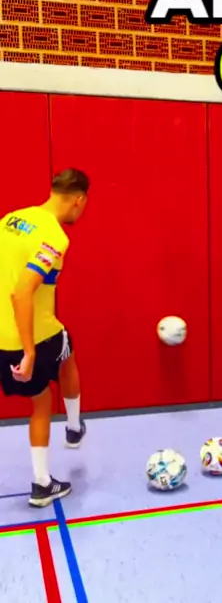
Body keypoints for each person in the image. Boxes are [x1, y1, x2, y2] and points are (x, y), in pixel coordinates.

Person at [0, 169, 89, 508]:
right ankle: (42, 483)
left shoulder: (11, 219)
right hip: (29, 335)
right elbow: (22, 293)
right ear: (79, 200)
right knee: (40, 402)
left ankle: (74, 427)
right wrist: (28, 352)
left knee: (67, 348)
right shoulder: (54, 237)